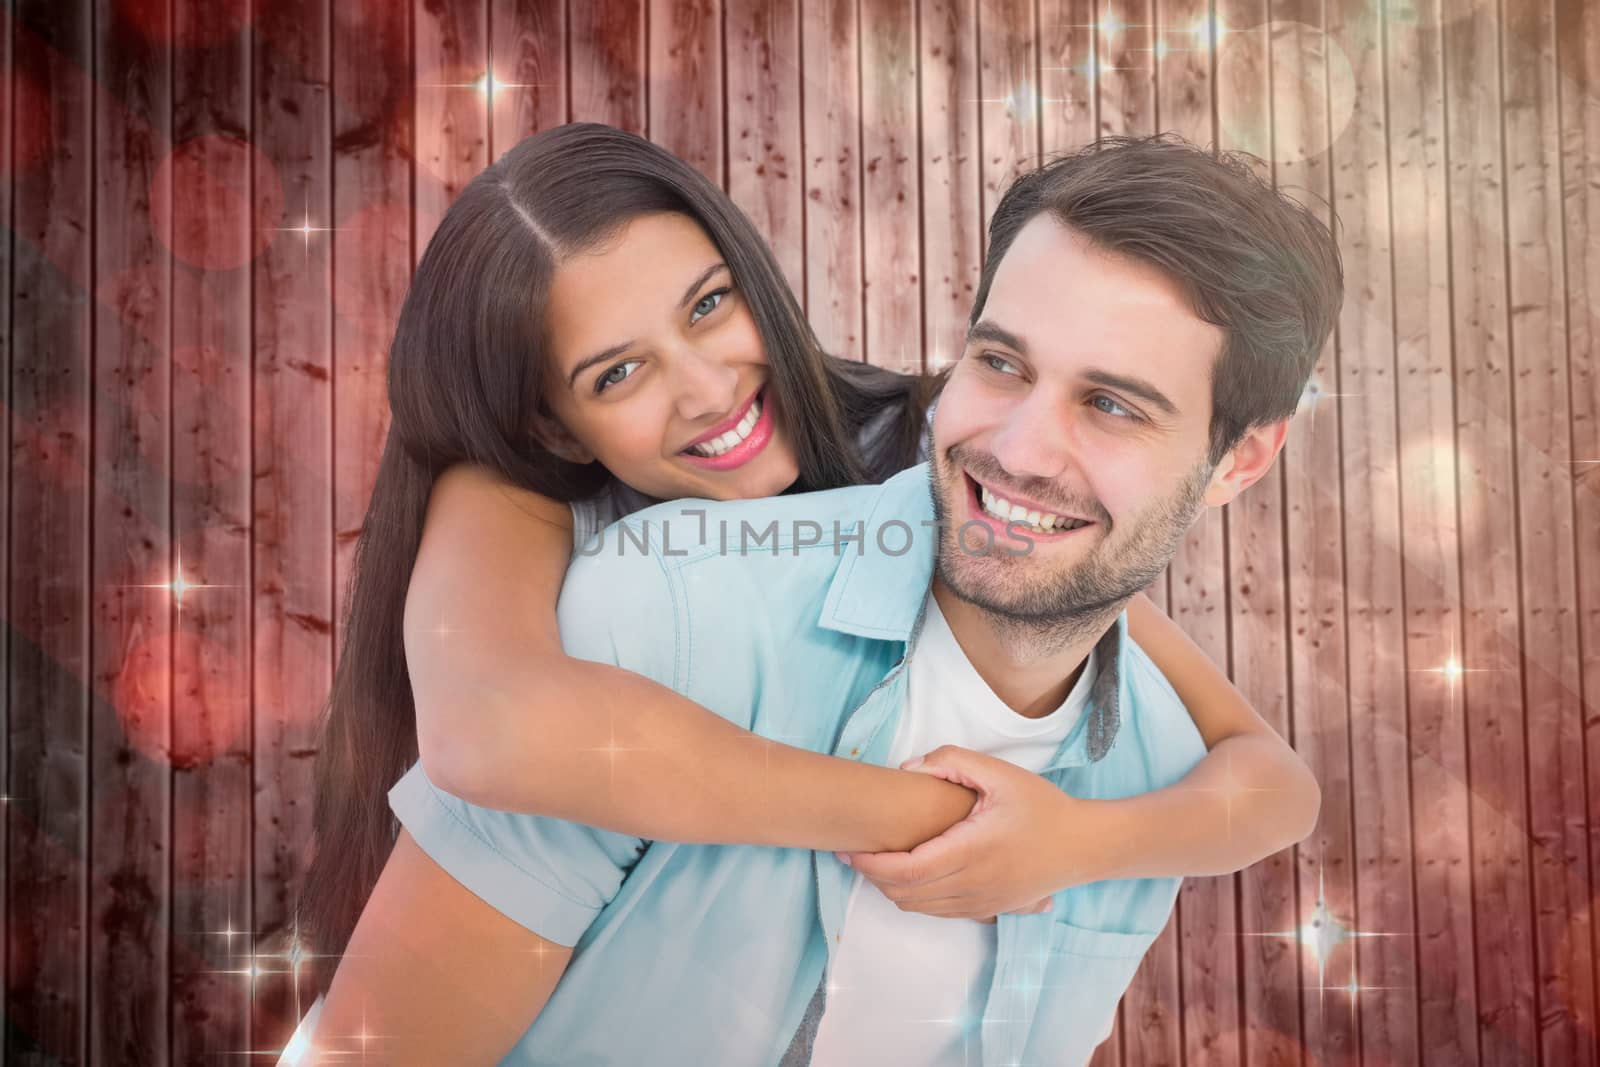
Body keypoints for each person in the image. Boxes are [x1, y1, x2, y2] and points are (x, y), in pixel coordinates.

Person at [293, 131, 1339, 1065]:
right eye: (617, 373)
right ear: (556, 427)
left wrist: (1069, 840)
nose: (706, 387)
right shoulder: (531, 508)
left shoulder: (940, 452)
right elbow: (491, 735)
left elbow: (1268, 781)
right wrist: (944, 819)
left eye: (709, 306)